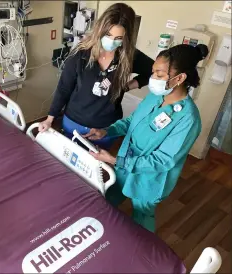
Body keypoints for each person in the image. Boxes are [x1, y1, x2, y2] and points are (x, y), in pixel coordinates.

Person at [84, 44, 208, 232]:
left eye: (159, 75)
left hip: (149, 178)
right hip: (124, 164)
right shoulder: (155, 97)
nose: (152, 79)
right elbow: (133, 121)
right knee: (109, 198)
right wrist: (108, 131)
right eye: (153, 73)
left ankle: (142, 251)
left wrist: (115, 160)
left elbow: (163, 161)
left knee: (141, 217)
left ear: (180, 78)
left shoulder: (188, 119)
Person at [38, 3, 154, 150]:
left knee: (96, 168)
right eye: (108, 35)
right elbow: (64, 88)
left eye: (118, 38)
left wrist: (128, 85)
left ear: (126, 38)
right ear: (100, 30)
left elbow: (154, 71)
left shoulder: (130, 56)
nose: (112, 41)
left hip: (105, 127)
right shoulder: (81, 54)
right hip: (74, 121)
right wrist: (50, 119)